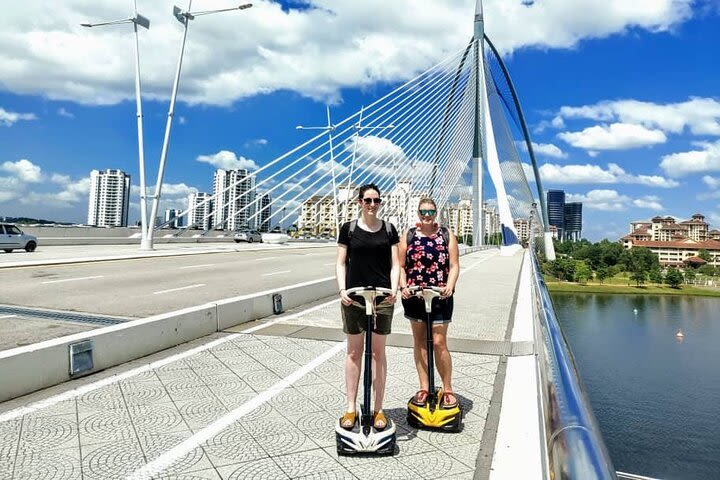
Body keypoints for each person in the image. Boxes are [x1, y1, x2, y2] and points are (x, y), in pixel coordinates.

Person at [336, 183, 400, 431]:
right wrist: (342, 290)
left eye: (376, 200)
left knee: (377, 353)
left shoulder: (389, 229)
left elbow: (395, 264)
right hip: (354, 298)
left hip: (382, 298)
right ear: (359, 202)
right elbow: (341, 262)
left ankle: (378, 408)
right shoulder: (348, 230)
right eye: (367, 200)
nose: (372, 205)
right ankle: (351, 407)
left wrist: (393, 289)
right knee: (353, 352)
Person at [399, 197, 460, 408]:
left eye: (431, 211)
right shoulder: (408, 236)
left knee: (439, 342)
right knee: (419, 342)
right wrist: (402, 286)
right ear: (418, 213)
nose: (427, 215)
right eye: (423, 212)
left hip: (440, 295)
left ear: (436, 212)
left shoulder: (446, 235)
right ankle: (424, 387)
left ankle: (448, 388)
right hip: (415, 296)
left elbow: (454, 265)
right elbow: (400, 266)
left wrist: (450, 286)